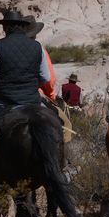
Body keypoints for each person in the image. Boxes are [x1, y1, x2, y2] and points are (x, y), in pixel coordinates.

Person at [0, 10, 52, 196]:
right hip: (32, 100)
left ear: (5, 27)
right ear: (23, 27)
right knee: (59, 125)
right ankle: (65, 167)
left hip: (3, 103)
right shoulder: (37, 46)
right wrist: (29, 86)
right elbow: (45, 76)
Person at [24, 16, 74, 145]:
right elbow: (49, 79)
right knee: (66, 125)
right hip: (36, 93)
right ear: (35, 34)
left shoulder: (8, 48)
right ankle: (65, 162)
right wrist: (51, 97)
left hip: (9, 94)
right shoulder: (39, 49)